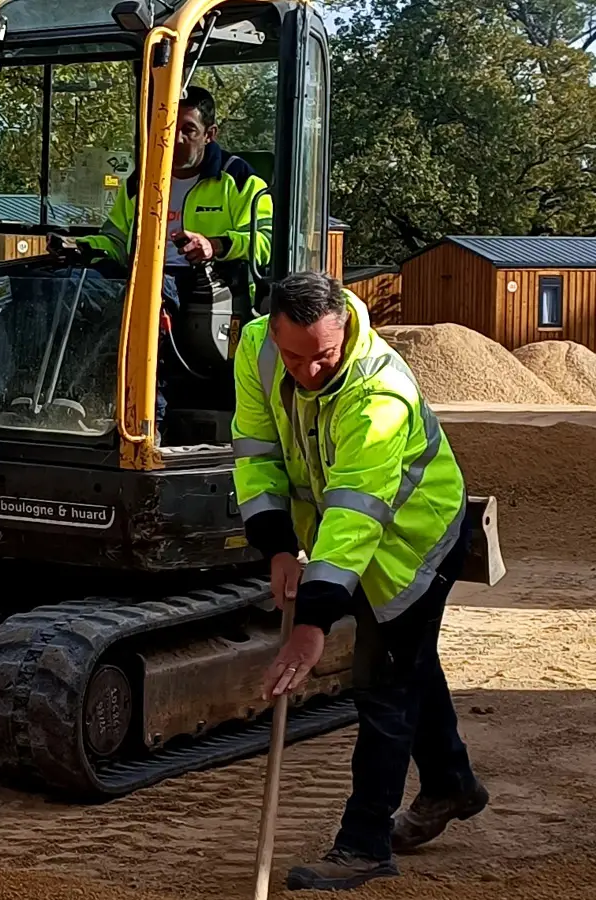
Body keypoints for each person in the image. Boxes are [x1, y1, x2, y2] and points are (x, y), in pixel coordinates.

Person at [231, 271, 489, 892]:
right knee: (411, 665)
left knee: (383, 685)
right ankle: (452, 784)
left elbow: (354, 517)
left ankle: (364, 845)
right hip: (345, 534)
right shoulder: (259, 348)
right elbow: (255, 448)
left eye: (322, 356)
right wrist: (276, 547)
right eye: (295, 356)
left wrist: (312, 625)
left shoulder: (380, 393)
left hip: (413, 544)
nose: (308, 372)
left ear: (344, 327)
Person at [49, 85, 273, 432]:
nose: (177, 138)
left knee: (140, 303)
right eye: (169, 127)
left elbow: (267, 240)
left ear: (210, 135)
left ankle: (146, 422)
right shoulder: (142, 181)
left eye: (189, 130)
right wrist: (81, 247)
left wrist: (216, 245)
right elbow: (116, 238)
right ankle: (50, 398)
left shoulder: (239, 180)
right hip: (140, 277)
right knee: (59, 287)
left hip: (205, 287)